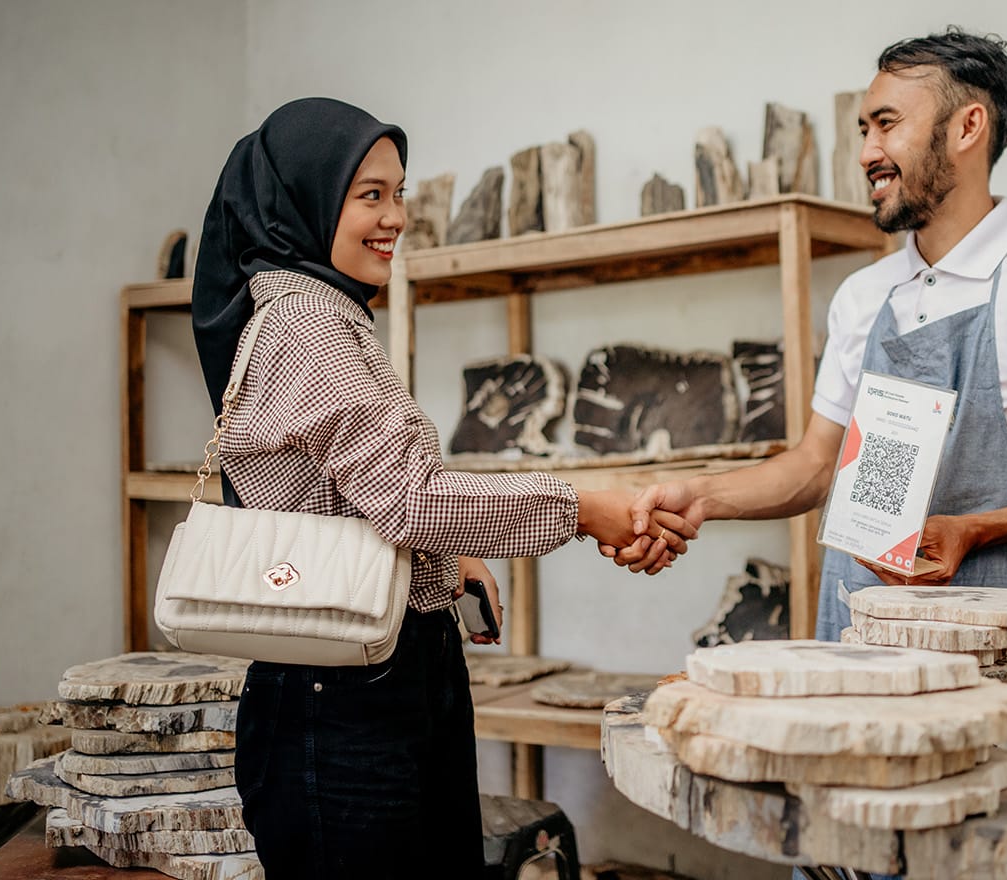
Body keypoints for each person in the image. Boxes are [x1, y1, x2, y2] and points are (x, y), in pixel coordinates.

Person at [190, 98, 693, 878]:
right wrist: (583, 507)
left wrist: (443, 561)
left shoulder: (328, 311)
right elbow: (410, 497)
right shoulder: (306, 322)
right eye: (369, 196)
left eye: (399, 192)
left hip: (375, 676)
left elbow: (360, 488)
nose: (395, 217)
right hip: (342, 703)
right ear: (307, 197)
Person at [611, 29, 1007, 646]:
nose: (866, 152)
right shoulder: (864, 295)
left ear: (968, 127)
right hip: (859, 636)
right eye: (864, 130)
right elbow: (813, 467)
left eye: (886, 125)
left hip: (1006, 650)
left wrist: (979, 528)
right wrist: (700, 496)